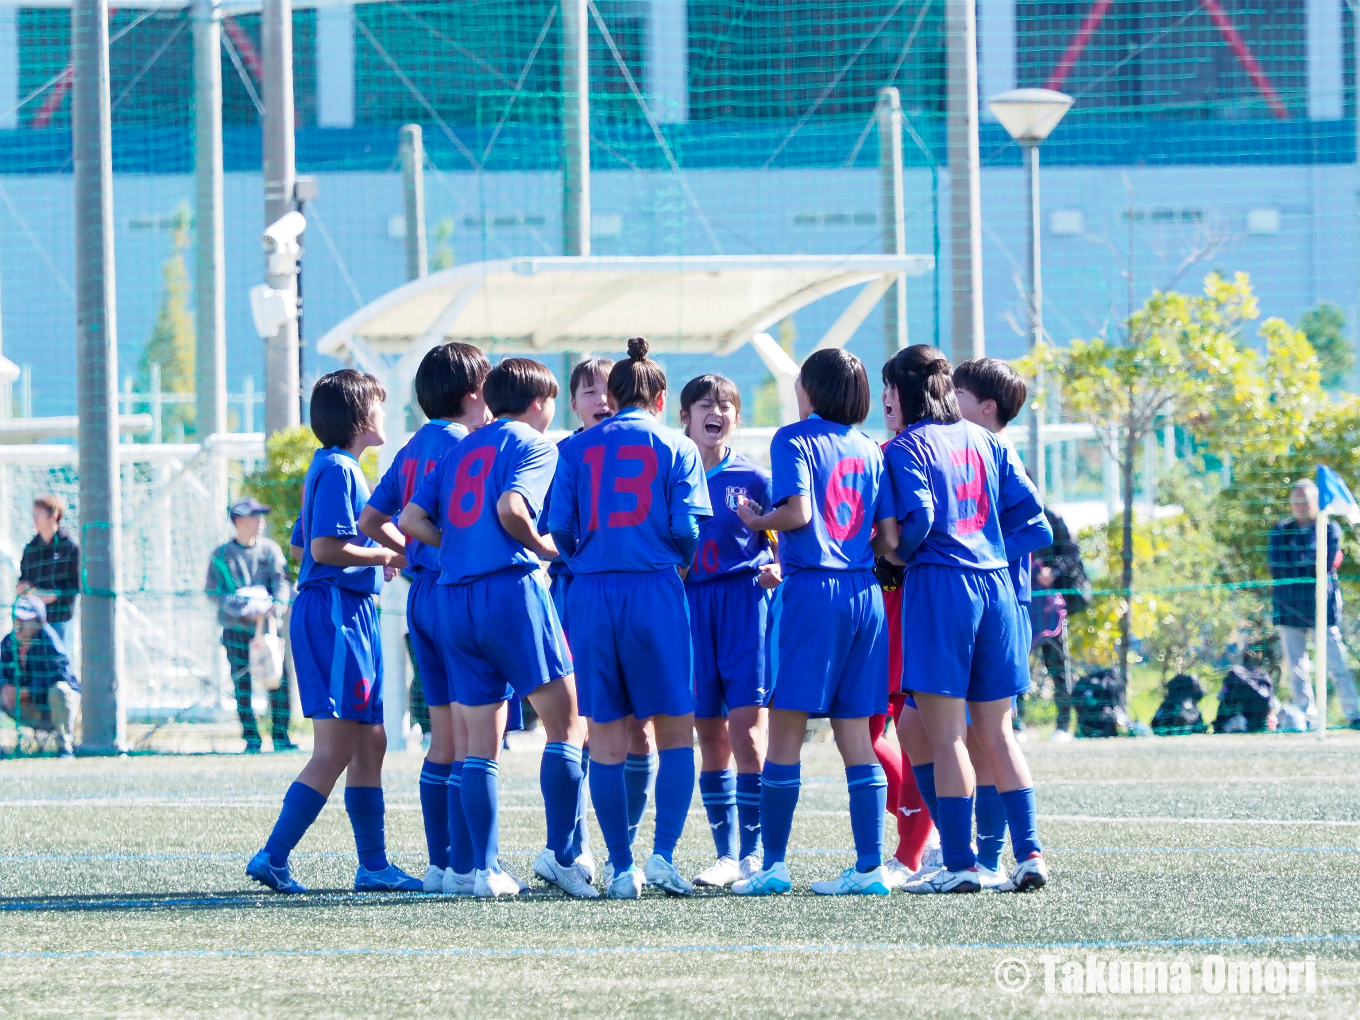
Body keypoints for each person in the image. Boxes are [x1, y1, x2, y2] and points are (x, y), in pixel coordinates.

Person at [401, 358, 592, 899]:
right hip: (509, 591)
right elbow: (512, 507)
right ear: (539, 404)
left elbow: (411, 521)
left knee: (478, 744)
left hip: (453, 598)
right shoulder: (535, 444)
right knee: (566, 722)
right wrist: (544, 546)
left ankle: (477, 870)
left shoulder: (461, 447)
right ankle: (563, 854)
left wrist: (460, 544)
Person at [730, 348, 900, 897]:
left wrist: (758, 520)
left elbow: (799, 513)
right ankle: (871, 867)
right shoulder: (872, 450)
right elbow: (890, 538)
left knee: (786, 729)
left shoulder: (795, 438)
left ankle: (774, 865)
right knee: (856, 733)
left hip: (812, 591)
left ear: (810, 390)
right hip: (864, 591)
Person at [882, 344, 1052, 895]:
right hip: (997, 586)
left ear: (899, 394)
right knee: (997, 733)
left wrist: (898, 554)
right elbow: (1037, 525)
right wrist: (989, 546)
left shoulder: (906, 446)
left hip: (942, 587)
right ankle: (1027, 856)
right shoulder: (987, 440)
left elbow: (922, 518)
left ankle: (959, 863)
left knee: (947, 735)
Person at [548, 336, 712, 899]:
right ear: (662, 397)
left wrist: (587, 560)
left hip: (591, 594)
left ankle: (620, 869)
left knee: (607, 739)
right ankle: (662, 856)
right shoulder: (677, 446)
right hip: (655, 589)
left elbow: (562, 529)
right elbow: (688, 528)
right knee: (674, 734)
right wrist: (678, 564)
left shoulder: (575, 449)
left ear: (613, 398)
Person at [246, 369, 421, 895]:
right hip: (335, 614)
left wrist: (369, 559)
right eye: (378, 406)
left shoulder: (332, 467)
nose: (385, 415)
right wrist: (386, 553)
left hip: (350, 610)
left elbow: (304, 545)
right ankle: (273, 855)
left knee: (372, 738)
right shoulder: (341, 468)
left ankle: (373, 866)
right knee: (336, 746)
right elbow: (322, 550)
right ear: (358, 417)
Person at [359, 342, 493, 893]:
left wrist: (406, 551)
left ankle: (440, 864)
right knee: (469, 737)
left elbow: (372, 519)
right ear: (473, 394)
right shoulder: (468, 444)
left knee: (441, 737)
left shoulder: (413, 445)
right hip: (458, 594)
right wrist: (442, 549)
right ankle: (467, 865)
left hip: (420, 598)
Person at [541, 357, 658, 877]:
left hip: (640, 597)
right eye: (588, 391)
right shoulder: (563, 454)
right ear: (574, 403)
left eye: (609, 389)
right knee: (582, 724)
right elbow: (549, 531)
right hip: (577, 596)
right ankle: (575, 847)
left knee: (641, 729)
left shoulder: (653, 447)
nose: (600, 399)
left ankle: (623, 850)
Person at [951, 357, 1050, 884]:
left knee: (986, 733)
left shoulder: (997, 449)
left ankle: (998, 854)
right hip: (989, 605)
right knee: (981, 735)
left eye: (958, 394)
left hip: (1001, 606)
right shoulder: (968, 448)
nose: (949, 402)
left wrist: (982, 546)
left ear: (986, 407)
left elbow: (1038, 529)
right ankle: (1000, 857)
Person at [678, 373, 779, 887]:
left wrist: (777, 569)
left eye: (725, 404)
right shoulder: (673, 476)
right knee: (710, 736)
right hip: (693, 608)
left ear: (736, 417)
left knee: (748, 734)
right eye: (704, 404)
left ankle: (756, 852)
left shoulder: (755, 479)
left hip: (743, 606)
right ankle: (725, 853)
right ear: (685, 417)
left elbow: (787, 538)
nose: (715, 411)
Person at [873, 382, 936, 891]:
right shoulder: (878, 451)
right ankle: (928, 827)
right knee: (868, 729)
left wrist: (895, 553)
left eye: (895, 388)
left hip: (913, 604)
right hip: (875, 605)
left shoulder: (908, 451)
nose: (887, 399)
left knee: (913, 726)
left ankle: (912, 850)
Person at [1268, 479, 1360, 729]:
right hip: (1288, 609)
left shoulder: (1329, 529)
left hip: (1322, 609)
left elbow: (1323, 563)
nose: (1300, 506)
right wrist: (1304, 566)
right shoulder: (1280, 531)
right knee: (1297, 670)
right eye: (1295, 501)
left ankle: (1354, 714)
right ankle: (1307, 717)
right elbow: (1277, 566)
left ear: (1317, 503)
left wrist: (1301, 567)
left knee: (1336, 665)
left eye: (1305, 501)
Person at [204, 498, 293, 753]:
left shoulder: (271, 550)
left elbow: (282, 582)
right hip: (236, 632)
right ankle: (251, 738)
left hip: (269, 632)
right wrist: (245, 608)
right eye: (254, 517)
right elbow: (214, 593)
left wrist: (274, 607)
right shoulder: (221, 555)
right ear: (239, 521)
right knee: (242, 685)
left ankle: (281, 735)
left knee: (278, 679)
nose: (260, 522)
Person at [1, 595, 81, 756]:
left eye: (25, 619)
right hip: (27, 708)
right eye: (17, 618)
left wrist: (27, 691)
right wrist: (5, 689)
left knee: (60, 690)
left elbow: (61, 676)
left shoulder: (50, 642)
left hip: (55, 710)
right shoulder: (8, 643)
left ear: (39, 621)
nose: (19, 624)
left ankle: (65, 747)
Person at [18, 495, 81, 654]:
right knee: (36, 670)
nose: (35, 519)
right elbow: (24, 577)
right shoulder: (31, 548)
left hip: (60, 618)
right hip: (33, 621)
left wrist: (56, 594)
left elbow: (77, 583)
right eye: (33, 515)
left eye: (38, 514)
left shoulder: (69, 546)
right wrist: (23, 587)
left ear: (54, 515)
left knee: (59, 665)